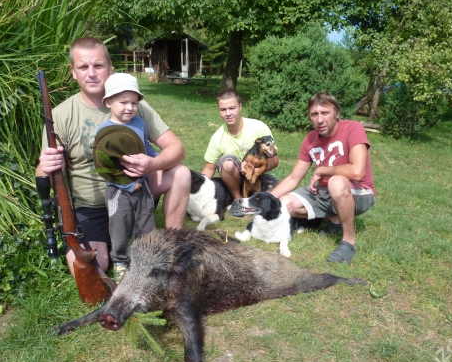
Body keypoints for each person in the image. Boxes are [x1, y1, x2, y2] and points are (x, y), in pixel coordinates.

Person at [36, 37, 190, 276]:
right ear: (73, 72)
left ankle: (170, 249)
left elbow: (177, 149)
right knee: (91, 270)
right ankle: (112, 247)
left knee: (181, 173)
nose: (91, 73)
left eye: (98, 66)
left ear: (110, 68)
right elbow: (43, 173)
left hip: (136, 190)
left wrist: (152, 164)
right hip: (91, 206)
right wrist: (46, 166)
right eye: (83, 67)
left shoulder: (132, 104)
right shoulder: (60, 115)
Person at [270, 92, 376, 263]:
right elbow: (293, 178)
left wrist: (323, 170)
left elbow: (357, 172)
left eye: (325, 113)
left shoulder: (353, 128)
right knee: (283, 204)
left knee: (336, 182)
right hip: (325, 193)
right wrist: (265, 200)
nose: (319, 120)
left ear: (337, 113)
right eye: (314, 114)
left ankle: (348, 242)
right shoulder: (310, 139)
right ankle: (335, 220)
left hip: (359, 192)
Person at [93, 73, 158, 279]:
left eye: (134, 103)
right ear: (109, 102)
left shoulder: (139, 123)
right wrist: (128, 186)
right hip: (117, 190)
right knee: (119, 224)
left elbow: (145, 148)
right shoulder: (105, 132)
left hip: (142, 185)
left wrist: (157, 161)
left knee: (147, 223)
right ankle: (120, 261)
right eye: (123, 102)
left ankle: (147, 259)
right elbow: (105, 167)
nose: (129, 107)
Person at [201, 89, 279, 216]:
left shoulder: (259, 127)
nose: (228, 113)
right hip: (234, 177)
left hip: (258, 175)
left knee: (278, 197)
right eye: (223, 109)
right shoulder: (217, 137)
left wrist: (254, 171)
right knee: (227, 162)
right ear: (219, 110)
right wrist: (195, 188)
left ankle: (247, 197)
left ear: (240, 107)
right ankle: (237, 199)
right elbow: (209, 168)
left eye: (232, 108)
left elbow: (275, 160)